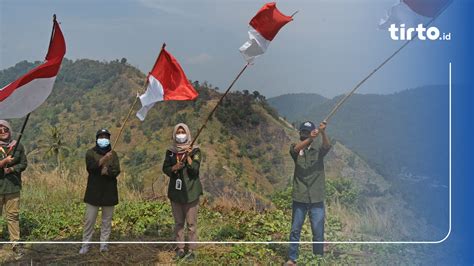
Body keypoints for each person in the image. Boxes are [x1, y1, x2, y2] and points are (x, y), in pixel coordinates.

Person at [286, 121, 331, 265]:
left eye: (307, 132)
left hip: (316, 197)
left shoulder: (318, 150)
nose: (303, 134)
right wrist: (310, 138)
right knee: (295, 230)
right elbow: (294, 150)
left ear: (314, 132)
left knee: (318, 231)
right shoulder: (296, 150)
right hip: (300, 197)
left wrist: (323, 132)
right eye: (303, 132)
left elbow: (327, 146)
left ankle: (317, 259)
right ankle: (292, 259)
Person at [162, 123, 202, 261]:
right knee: (179, 223)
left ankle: (191, 249)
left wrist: (188, 156)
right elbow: (165, 168)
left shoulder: (195, 151)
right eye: (178, 132)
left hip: (191, 192)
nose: (180, 135)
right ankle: (180, 248)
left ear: (187, 133)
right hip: (176, 193)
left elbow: (195, 170)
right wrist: (174, 167)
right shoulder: (171, 152)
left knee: (191, 224)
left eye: (182, 132)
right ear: (174, 134)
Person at [79, 129, 120, 254]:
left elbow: (117, 170)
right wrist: (103, 160)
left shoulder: (114, 154)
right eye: (101, 137)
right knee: (89, 220)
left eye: (106, 137)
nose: (103, 139)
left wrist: (107, 171)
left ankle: (104, 245)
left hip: (109, 192)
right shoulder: (90, 153)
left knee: (107, 221)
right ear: (97, 139)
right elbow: (90, 167)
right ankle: (85, 244)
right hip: (94, 192)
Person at [0, 120, 27, 257]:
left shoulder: (18, 146)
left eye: (6, 129)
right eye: (0, 130)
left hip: (13, 187)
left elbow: (23, 164)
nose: (3, 132)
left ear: (10, 130)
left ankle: (15, 243)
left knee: (13, 217)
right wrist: (3, 163)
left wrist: (11, 169)